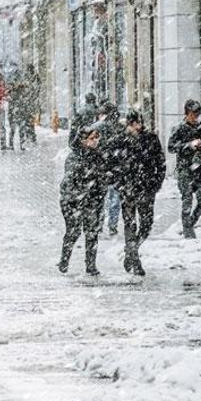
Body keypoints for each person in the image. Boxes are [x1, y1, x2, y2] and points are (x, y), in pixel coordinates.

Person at [118, 110, 166, 275]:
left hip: (146, 188)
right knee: (130, 224)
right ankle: (135, 260)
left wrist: (157, 183)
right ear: (128, 124)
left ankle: (131, 251)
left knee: (146, 224)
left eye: (138, 123)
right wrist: (120, 184)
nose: (136, 127)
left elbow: (160, 162)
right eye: (133, 124)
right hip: (128, 189)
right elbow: (112, 163)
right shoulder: (121, 140)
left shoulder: (150, 138)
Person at [58, 126, 106, 276]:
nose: (95, 141)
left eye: (96, 138)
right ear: (83, 140)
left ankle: (91, 266)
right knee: (73, 232)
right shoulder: (74, 157)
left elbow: (102, 177)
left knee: (92, 233)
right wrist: (81, 195)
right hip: (74, 202)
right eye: (92, 138)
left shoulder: (97, 156)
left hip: (92, 201)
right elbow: (70, 181)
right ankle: (64, 262)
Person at [168, 99, 201, 239]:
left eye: (197, 114)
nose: (195, 117)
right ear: (187, 113)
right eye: (193, 114)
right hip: (185, 169)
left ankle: (190, 223)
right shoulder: (179, 128)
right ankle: (188, 232)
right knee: (187, 200)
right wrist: (189, 145)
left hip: (199, 169)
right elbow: (171, 147)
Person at [98, 103, 125, 235]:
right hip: (115, 167)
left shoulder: (98, 127)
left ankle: (99, 224)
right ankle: (112, 225)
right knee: (114, 198)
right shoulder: (120, 128)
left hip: (102, 166)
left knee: (101, 198)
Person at [5, 62, 26, 151]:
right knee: (13, 128)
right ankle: (11, 144)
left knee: (21, 127)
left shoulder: (20, 78)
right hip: (13, 107)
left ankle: (21, 144)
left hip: (19, 107)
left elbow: (24, 88)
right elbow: (6, 91)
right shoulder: (9, 78)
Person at [22, 64, 41, 144]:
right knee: (28, 120)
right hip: (29, 102)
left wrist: (31, 96)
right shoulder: (28, 77)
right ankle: (30, 136)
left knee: (29, 120)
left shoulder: (34, 77)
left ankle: (31, 136)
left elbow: (37, 88)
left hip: (30, 102)